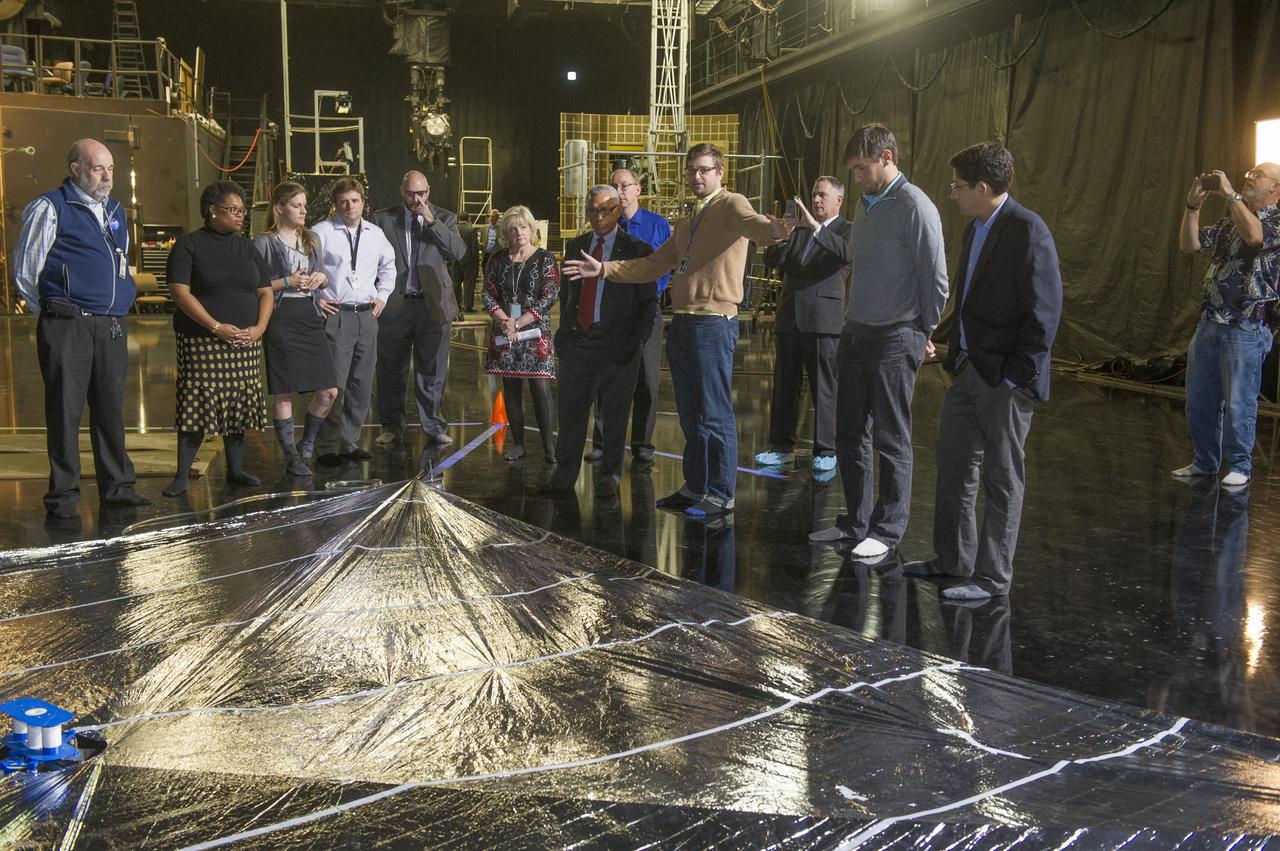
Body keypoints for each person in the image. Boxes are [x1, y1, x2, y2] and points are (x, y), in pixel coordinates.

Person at [564, 143, 789, 517]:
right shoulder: (689, 221)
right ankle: (696, 485)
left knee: (714, 412)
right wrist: (603, 270)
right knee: (690, 413)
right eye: (691, 171)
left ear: (720, 173)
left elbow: (760, 228)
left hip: (713, 323)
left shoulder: (732, 204)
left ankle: (721, 492)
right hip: (683, 322)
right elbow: (653, 264)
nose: (696, 177)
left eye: (704, 170)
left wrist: (778, 230)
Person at [903, 143, 1062, 601]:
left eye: (957, 186)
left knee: (1001, 477)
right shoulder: (974, 230)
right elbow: (970, 301)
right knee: (954, 466)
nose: (951, 194)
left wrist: (1018, 377)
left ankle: (992, 578)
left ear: (982, 187)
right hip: (969, 369)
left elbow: (1045, 313)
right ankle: (953, 559)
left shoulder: (1028, 230)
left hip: (1005, 382)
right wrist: (946, 343)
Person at [809, 123, 948, 558]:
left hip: (897, 335)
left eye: (862, 168)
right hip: (857, 332)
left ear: (887, 158)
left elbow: (936, 279)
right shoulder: (867, 208)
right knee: (849, 433)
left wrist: (922, 331)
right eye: (852, 170)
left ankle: (887, 530)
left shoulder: (916, 206)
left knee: (891, 436)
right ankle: (854, 521)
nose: (856, 178)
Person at [14, 138, 151, 519]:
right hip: (68, 324)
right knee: (65, 412)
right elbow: (27, 270)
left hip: (110, 326)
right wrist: (55, 311)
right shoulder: (50, 206)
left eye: (110, 168)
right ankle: (63, 498)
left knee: (110, 410)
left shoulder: (114, 210)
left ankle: (118, 488)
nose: (107, 176)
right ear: (75, 168)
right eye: (97, 169)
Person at [161, 180, 275, 496]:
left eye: (242, 210)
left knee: (237, 405)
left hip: (244, 341)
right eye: (233, 210)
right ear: (213, 211)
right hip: (202, 340)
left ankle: (236, 468)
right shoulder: (189, 245)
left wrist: (259, 328)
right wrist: (215, 326)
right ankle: (182, 475)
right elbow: (180, 293)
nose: (240, 216)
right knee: (196, 404)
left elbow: (265, 292)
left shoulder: (247, 247)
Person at [1172, 162, 1280, 488]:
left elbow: (1255, 236)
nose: (1249, 178)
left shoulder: (1275, 221)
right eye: (1248, 174)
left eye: (1257, 176)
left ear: (1275, 188)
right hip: (1209, 323)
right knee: (1200, 399)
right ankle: (1204, 461)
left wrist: (1231, 194)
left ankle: (1240, 467)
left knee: (1239, 403)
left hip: (1245, 327)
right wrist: (1193, 207)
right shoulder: (1228, 223)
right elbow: (1189, 244)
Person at [550, 185, 658, 495]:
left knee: (614, 416)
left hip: (618, 346)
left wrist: (635, 342)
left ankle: (610, 476)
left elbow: (647, 304)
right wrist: (564, 334)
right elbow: (568, 293)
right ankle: (564, 475)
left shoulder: (638, 249)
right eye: (593, 210)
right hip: (578, 342)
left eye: (605, 210)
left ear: (618, 210)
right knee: (570, 414)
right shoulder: (576, 246)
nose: (598, 217)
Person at [757, 176, 853, 476]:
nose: (816, 200)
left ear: (839, 200)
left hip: (824, 320)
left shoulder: (847, 231)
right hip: (791, 317)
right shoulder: (798, 229)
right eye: (814, 194)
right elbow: (774, 261)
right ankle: (781, 447)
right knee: (785, 384)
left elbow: (845, 255)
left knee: (824, 386)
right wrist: (781, 237)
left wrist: (816, 227)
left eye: (822, 195)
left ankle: (826, 449)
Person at [583, 167, 673, 468]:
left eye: (624, 185)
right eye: (614, 185)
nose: (619, 190)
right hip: (612, 312)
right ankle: (603, 442)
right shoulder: (606, 226)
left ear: (638, 189)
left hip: (646, 309)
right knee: (606, 378)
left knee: (647, 381)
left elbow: (663, 268)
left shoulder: (657, 225)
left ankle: (643, 446)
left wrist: (642, 293)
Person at [373, 170, 466, 448]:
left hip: (433, 307)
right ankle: (391, 427)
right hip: (395, 308)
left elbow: (458, 252)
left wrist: (431, 221)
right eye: (411, 194)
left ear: (429, 191)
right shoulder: (382, 219)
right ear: (402, 192)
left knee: (433, 371)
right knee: (390, 371)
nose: (416, 199)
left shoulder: (445, 218)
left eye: (421, 193)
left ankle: (434, 426)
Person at [252, 181, 339, 478]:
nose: (304, 210)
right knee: (285, 392)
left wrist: (320, 280)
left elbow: (324, 276)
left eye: (304, 205)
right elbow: (255, 285)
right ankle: (291, 455)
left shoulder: (311, 238)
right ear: (279, 208)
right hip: (280, 316)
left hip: (309, 315)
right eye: (297, 205)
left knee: (329, 390)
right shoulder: (264, 242)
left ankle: (306, 445)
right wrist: (287, 282)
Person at [310, 177, 396, 463]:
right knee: (335, 385)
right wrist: (316, 299)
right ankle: (327, 447)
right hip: (337, 315)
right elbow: (304, 269)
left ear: (363, 203)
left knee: (361, 383)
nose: (350, 206)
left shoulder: (375, 234)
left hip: (367, 316)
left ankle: (349, 442)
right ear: (335, 204)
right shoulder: (320, 232)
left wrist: (382, 295)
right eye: (344, 201)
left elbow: (389, 267)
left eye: (355, 200)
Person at [482, 205, 559, 462]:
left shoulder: (545, 259)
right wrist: (504, 320)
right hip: (505, 333)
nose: (519, 233)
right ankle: (518, 444)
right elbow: (487, 293)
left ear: (531, 228)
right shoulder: (497, 259)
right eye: (513, 228)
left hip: (535, 334)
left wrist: (521, 322)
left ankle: (549, 447)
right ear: (506, 232)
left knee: (540, 389)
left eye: (523, 227)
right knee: (511, 392)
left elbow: (550, 295)